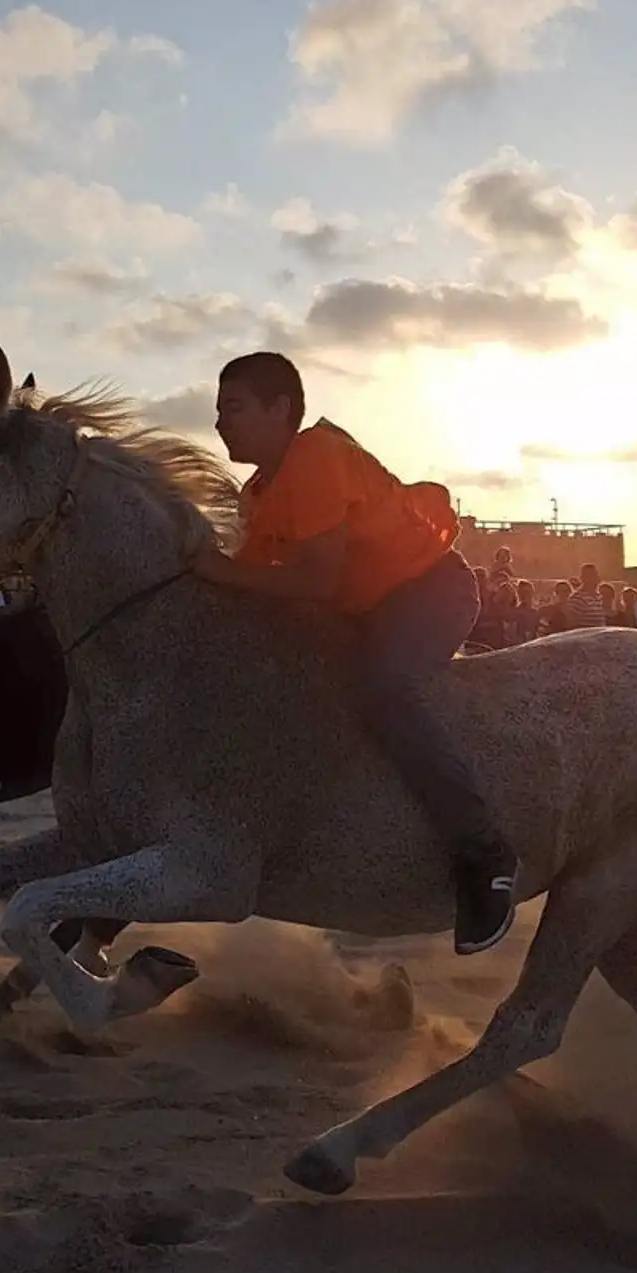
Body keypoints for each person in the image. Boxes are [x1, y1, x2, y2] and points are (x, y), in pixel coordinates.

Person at [192, 351, 517, 954]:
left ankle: (486, 855)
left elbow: (311, 581)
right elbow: (258, 586)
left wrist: (209, 570)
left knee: (384, 690)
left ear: (280, 409)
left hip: (430, 591)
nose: (218, 423)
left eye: (231, 408)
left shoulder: (315, 457)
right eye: (217, 411)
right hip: (365, 610)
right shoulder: (257, 496)